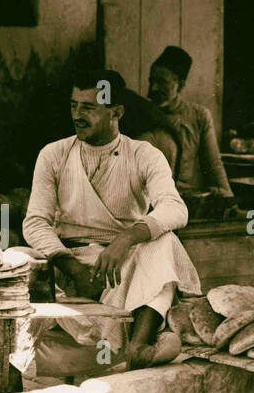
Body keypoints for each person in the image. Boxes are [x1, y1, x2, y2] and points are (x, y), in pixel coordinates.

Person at [23, 67, 200, 369]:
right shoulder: (53, 154)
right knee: (16, 257)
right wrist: (70, 266)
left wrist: (128, 237)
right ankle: (20, 355)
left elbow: (175, 207)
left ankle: (139, 346)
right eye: (74, 105)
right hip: (67, 263)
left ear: (115, 111)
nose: (78, 114)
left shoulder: (144, 154)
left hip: (122, 266)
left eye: (89, 107)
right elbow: (35, 221)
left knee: (164, 243)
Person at [147, 45, 233, 198]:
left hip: (186, 199)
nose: (153, 88)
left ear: (180, 84)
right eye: (151, 81)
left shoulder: (199, 116)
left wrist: (228, 200)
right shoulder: (141, 113)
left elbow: (214, 166)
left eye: (162, 82)